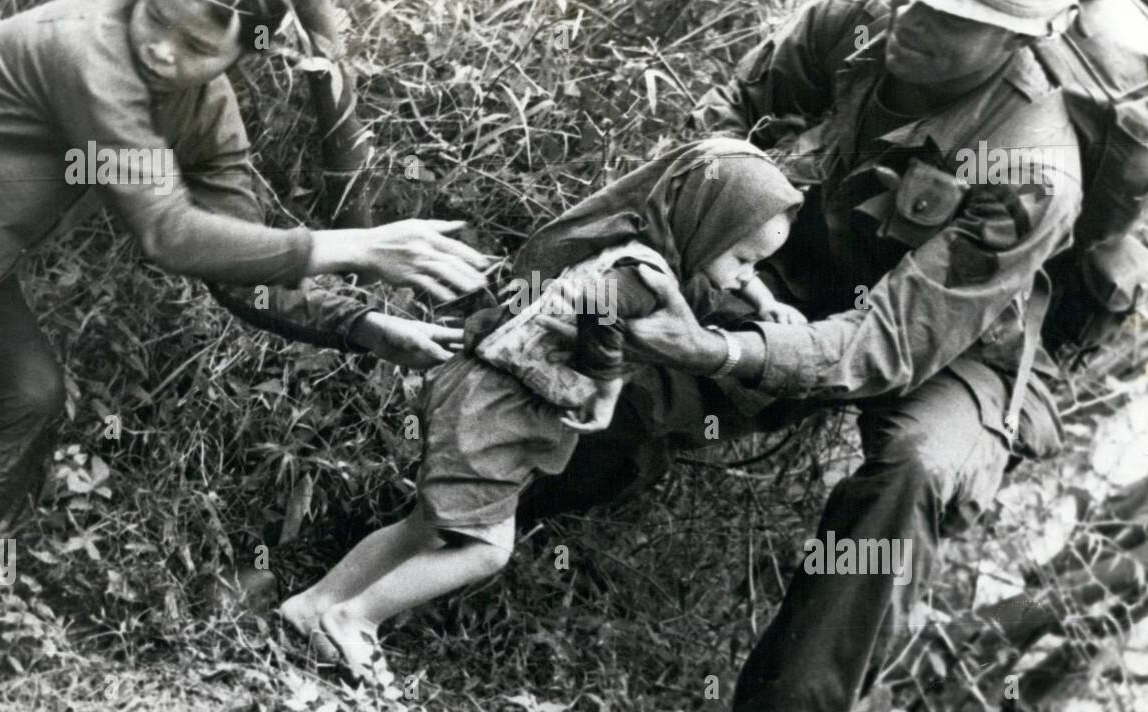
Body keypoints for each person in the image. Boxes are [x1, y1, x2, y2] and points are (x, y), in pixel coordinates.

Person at [527, 0, 1095, 712]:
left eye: (951, 20)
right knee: (640, 386)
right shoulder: (860, 18)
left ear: (1018, 40)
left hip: (952, 344)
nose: (913, 22)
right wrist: (710, 255)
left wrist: (726, 347)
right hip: (808, 270)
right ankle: (454, 527)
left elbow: (893, 343)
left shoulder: (1027, 166)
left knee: (907, 475)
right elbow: (733, 118)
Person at [0, 0, 491, 542]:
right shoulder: (84, 47)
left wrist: (360, 324)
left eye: (200, 48)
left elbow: (231, 253)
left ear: (247, 49)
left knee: (24, 393)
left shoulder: (206, 111)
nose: (162, 49)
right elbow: (168, 232)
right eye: (155, 16)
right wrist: (357, 247)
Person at [278, 139, 804, 682]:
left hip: (499, 396)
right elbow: (602, 307)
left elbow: (699, 281)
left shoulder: (648, 243)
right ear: (708, 228)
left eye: (758, 266)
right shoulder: (638, 279)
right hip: (498, 403)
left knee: (427, 529)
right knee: (485, 550)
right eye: (745, 260)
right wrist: (605, 386)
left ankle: (314, 605)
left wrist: (763, 302)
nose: (746, 276)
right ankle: (354, 620)